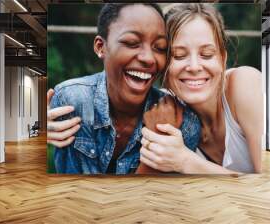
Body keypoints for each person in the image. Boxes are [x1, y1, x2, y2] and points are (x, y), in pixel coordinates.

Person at [47, 3, 201, 174]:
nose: (149, 58)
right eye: (132, 43)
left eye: (160, 48)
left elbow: (162, 198)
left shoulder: (183, 123)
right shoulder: (74, 101)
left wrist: (160, 140)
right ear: (100, 47)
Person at [139, 3, 263, 174]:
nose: (194, 66)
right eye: (179, 56)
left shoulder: (245, 84)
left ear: (222, 58)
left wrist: (186, 162)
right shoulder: (164, 109)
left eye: (206, 54)